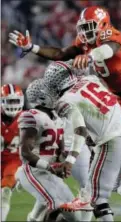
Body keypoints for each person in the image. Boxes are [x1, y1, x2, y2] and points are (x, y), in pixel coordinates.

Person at [9, 8, 121, 220]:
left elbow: (109, 49)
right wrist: (32, 47)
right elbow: (60, 54)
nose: (85, 32)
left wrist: (90, 56)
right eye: (82, 28)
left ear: (102, 24)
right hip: (114, 96)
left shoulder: (111, 36)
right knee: (114, 154)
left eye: (89, 27)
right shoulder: (88, 76)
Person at [42, 60, 121, 222]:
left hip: (112, 144)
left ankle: (87, 203)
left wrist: (70, 160)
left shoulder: (65, 100)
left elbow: (80, 130)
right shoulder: (90, 79)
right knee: (116, 183)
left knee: (95, 199)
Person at [15, 78, 81, 222]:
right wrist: (50, 168)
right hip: (34, 171)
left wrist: (65, 163)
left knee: (75, 215)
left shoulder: (57, 117)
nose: (57, 94)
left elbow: (60, 150)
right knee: (55, 206)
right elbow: (25, 153)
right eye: (52, 91)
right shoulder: (31, 115)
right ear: (42, 96)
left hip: (50, 172)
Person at [1, 84, 24, 221]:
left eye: (15, 101)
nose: (13, 105)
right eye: (9, 101)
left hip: (13, 162)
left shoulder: (28, 118)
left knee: (5, 193)